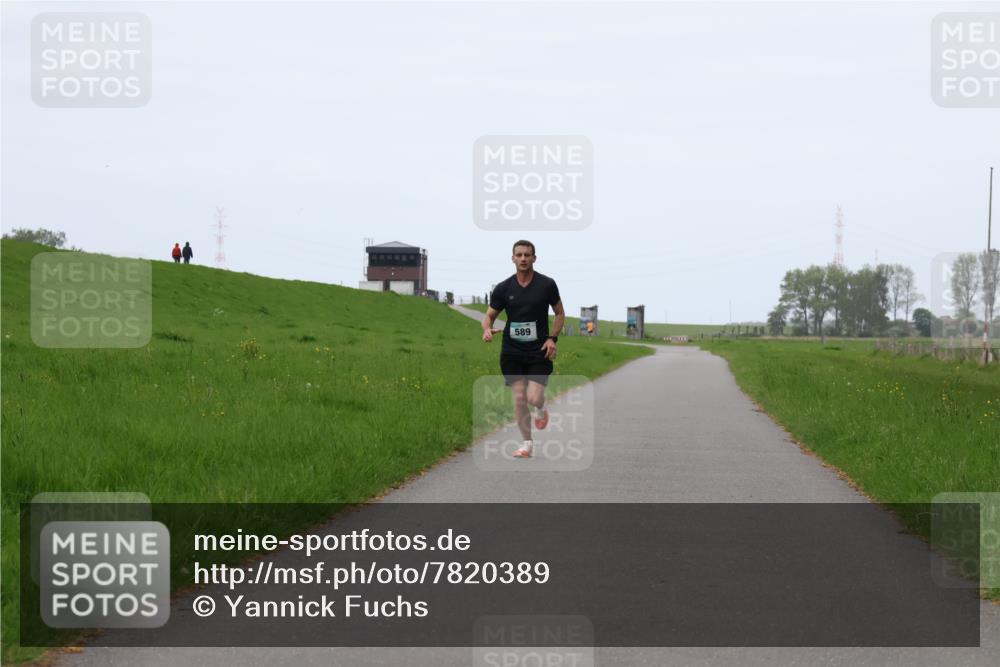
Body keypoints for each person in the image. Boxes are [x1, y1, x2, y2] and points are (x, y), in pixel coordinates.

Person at [482, 240, 565, 459]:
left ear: (534, 258)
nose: (523, 259)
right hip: (512, 350)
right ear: (512, 258)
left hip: (539, 350)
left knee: (533, 397)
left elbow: (559, 313)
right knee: (519, 398)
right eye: (519, 255)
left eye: (527, 255)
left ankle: (540, 407)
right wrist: (487, 329)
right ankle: (526, 444)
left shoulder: (547, 284)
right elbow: (489, 315)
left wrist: (552, 339)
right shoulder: (503, 288)